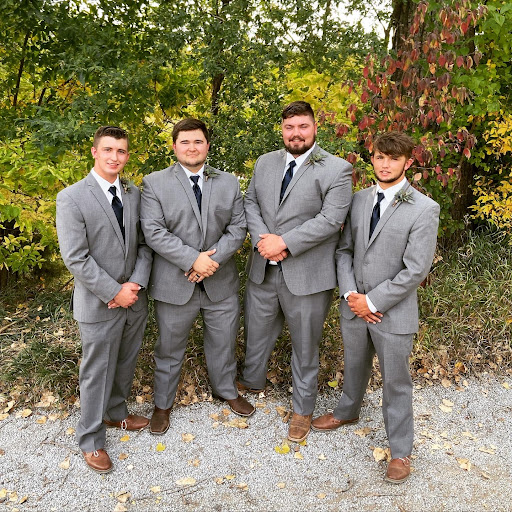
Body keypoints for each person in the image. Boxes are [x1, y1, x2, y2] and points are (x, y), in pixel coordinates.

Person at [311, 131, 440, 484]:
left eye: (393, 159)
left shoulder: (425, 209)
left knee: (396, 381)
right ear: (372, 158)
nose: (385, 164)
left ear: (408, 163)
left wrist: (372, 301)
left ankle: (400, 451)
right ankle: (347, 411)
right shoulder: (357, 200)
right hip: (353, 305)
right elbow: (344, 251)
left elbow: (416, 269)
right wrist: (352, 295)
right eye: (380, 157)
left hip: (392, 312)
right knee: (354, 365)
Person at [240, 101, 353, 442]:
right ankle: (252, 382)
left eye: (303, 126)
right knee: (256, 332)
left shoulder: (337, 169)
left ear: (315, 127)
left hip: (307, 275)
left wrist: (285, 243)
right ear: (282, 129)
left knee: (305, 347)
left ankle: (303, 410)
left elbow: (331, 220)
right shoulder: (265, 162)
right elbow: (250, 202)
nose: (296, 133)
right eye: (289, 127)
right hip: (263, 267)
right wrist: (264, 240)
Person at [140, 118, 253, 435]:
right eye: (185, 142)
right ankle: (162, 404)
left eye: (198, 141)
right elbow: (153, 231)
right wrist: (192, 260)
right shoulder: (154, 183)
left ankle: (226, 390)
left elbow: (238, 227)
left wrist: (210, 261)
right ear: (174, 146)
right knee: (169, 347)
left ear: (207, 145)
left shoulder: (229, 182)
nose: (192, 147)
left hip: (220, 280)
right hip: (175, 282)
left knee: (224, 342)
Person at [56, 126, 153, 474]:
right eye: (108, 150)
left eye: (121, 151)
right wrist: (115, 291)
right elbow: (76, 257)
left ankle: (115, 412)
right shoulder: (71, 197)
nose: (115, 157)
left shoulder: (133, 193)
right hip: (99, 303)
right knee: (96, 371)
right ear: (95, 152)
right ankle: (91, 438)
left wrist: (134, 285)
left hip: (134, 298)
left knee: (125, 362)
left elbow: (144, 245)